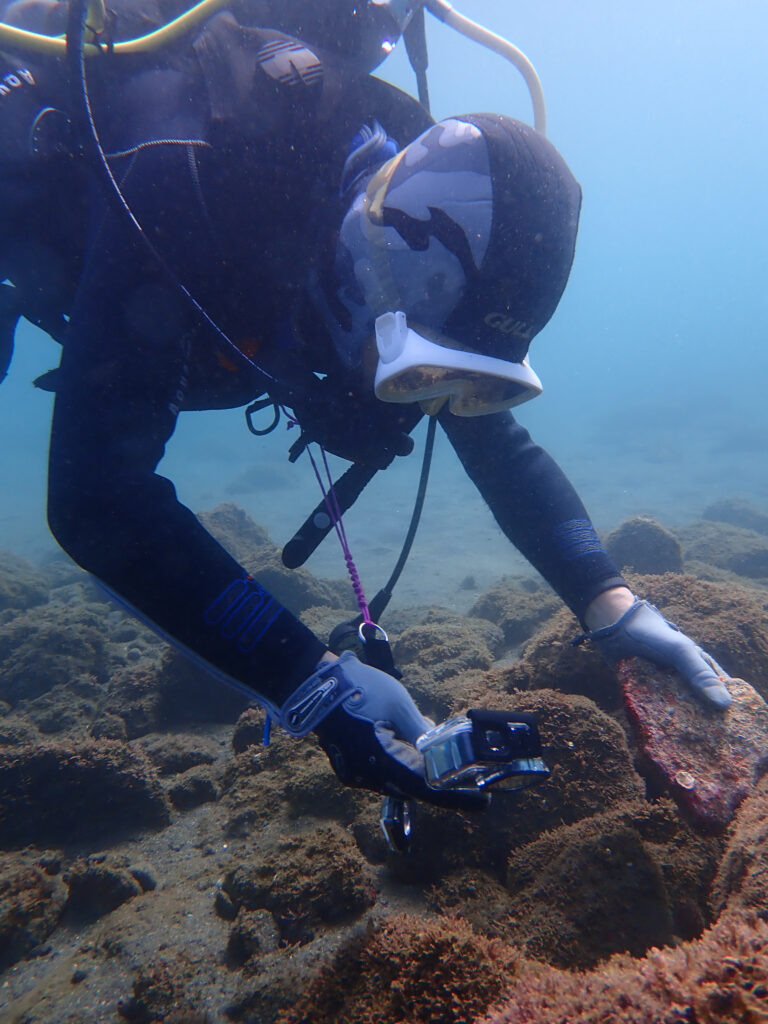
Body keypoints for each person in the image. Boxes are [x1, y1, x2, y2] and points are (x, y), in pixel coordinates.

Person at [0, 0, 732, 817]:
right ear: (367, 272)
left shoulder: (400, 199)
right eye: (417, 369)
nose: (424, 400)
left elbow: (490, 433)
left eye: (463, 375)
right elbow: (96, 498)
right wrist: (308, 680)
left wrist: (611, 604)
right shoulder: (184, 178)